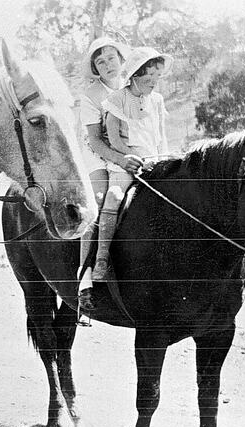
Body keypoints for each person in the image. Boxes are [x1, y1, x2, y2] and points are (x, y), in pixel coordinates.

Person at [94, 46, 173, 280]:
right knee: (114, 196)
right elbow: (115, 140)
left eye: (158, 76)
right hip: (126, 163)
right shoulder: (117, 99)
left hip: (154, 162)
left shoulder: (156, 100)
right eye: (150, 76)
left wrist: (163, 160)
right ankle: (101, 258)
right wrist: (134, 158)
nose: (154, 81)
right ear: (136, 74)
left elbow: (161, 136)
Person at [76, 37, 132, 308]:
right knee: (98, 201)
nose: (107, 65)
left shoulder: (134, 86)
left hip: (128, 150)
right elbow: (95, 140)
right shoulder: (91, 96)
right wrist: (120, 159)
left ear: (121, 60)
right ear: (95, 69)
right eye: (100, 62)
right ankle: (85, 275)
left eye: (111, 58)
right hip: (96, 153)